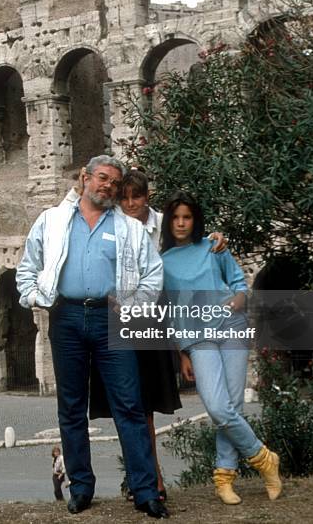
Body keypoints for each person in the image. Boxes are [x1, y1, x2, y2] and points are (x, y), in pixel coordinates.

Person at [16, 155, 169, 519]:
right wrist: (37, 297)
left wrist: (131, 304)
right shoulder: (52, 220)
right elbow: (28, 266)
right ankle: (81, 488)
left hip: (110, 317)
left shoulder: (130, 228)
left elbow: (153, 274)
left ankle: (146, 491)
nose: (109, 187)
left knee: (129, 405)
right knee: (71, 407)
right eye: (102, 178)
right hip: (66, 315)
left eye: (115, 183)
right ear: (84, 178)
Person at [86, 169, 227, 500]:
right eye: (124, 197)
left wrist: (216, 239)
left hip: (153, 319)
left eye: (137, 196)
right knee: (128, 405)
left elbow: (192, 242)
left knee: (145, 404)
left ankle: (147, 477)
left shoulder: (164, 225)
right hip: (119, 320)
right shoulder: (109, 224)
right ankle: (146, 477)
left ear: (147, 196)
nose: (130, 202)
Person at [160, 191, 282, 505]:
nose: (181, 223)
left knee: (233, 405)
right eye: (175, 217)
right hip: (198, 339)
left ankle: (224, 476)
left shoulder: (214, 246)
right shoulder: (162, 262)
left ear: (195, 219)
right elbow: (172, 311)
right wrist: (182, 353)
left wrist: (240, 298)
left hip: (231, 327)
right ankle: (264, 458)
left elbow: (238, 282)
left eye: (187, 217)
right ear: (168, 221)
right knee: (217, 407)